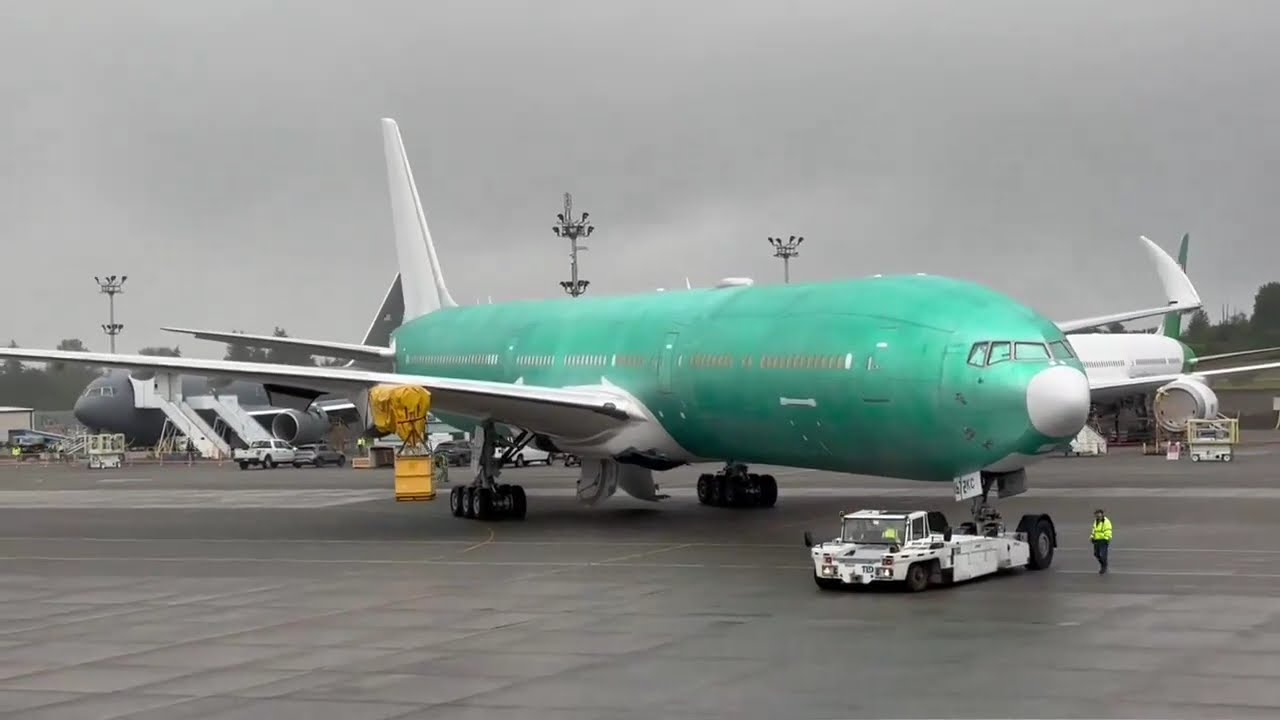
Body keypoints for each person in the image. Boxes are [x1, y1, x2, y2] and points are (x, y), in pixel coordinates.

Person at [1091, 508, 1113, 574]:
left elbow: (1108, 530)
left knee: (1103, 555)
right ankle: (1103, 564)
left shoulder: (1106, 521)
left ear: (1102, 514)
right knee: (1096, 554)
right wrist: (1092, 537)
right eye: (1096, 514)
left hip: (1103, 540)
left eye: (1099, 513)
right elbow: (1094, 530)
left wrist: (1107, 538)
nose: (1097, 515)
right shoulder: (1095, 521)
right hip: (1097, 540)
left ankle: (1104, 566)